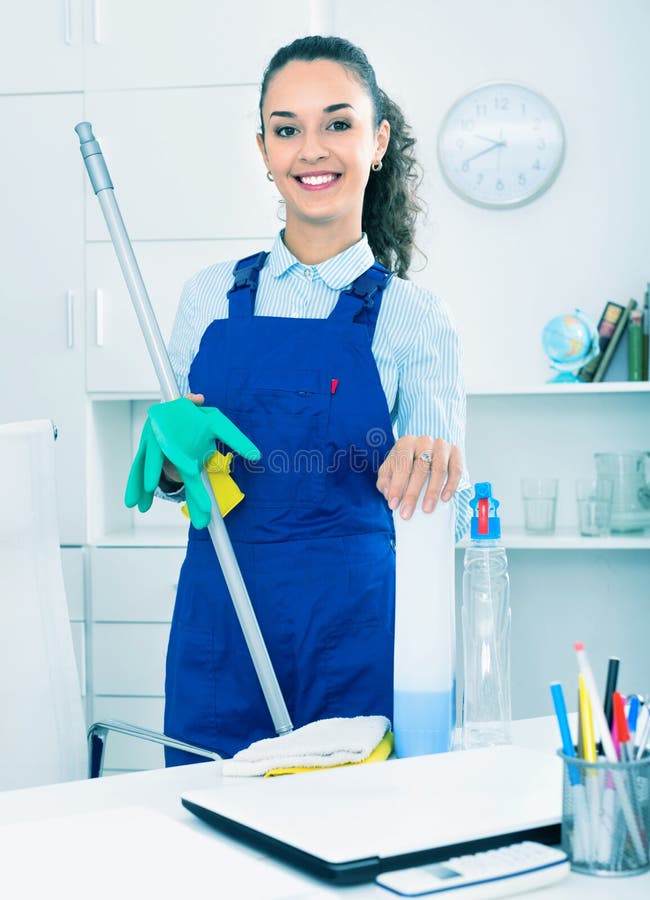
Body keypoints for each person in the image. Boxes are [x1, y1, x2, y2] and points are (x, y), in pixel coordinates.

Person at [144, 35, 471, 763]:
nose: (310, 150)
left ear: (378, 140)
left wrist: (431, 465)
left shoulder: (416, 317)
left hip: (358, 632)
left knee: (353, 842)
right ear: (263, 149)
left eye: (338, 124)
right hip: (220, 623)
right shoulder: (208, 298)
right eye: (286, 129)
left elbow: (437, 508)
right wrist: (171, 457)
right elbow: (178, 483)